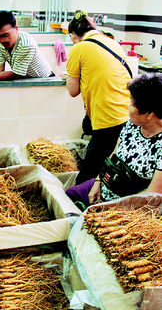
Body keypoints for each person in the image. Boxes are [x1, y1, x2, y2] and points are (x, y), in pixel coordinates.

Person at [66, 73, 162, 208]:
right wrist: (98, 182)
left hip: (129, 207)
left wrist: (108, 208)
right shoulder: (132, 125)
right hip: (109, 184)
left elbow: (151, 196)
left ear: (149, 114)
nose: (128, 108)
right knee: (70, 195)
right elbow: (113, 157)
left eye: (132, 104)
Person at [66, 10, 131, 185]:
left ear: (73, 35)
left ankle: (78, 207)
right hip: (127, 113)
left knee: (88, 174)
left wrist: (70, 75)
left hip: (107, 116)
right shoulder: (113, 43)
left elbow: (72, 90)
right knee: (110, 165)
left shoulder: (79, 48)